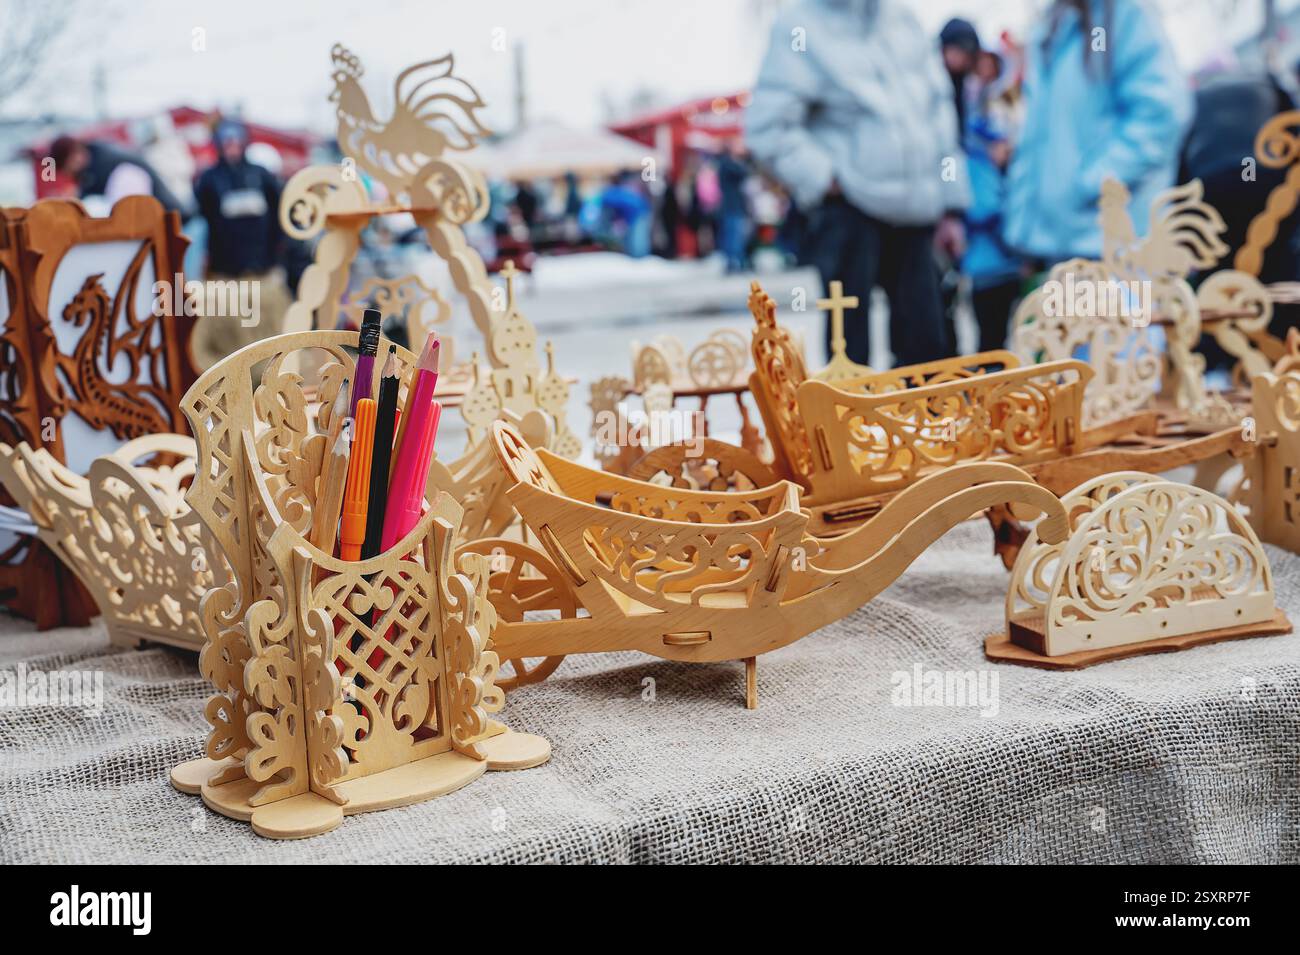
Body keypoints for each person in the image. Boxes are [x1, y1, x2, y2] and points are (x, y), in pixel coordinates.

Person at [746, 0, 970, 368]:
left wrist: (951, 206)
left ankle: (928, 409)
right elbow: (767, 127)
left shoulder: (902, 20)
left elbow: (939, 117)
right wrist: (826, 178)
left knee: (927, 347)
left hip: (915, 211)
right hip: (849, 211)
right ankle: (851, 410)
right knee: (849, 353)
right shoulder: (799, 25)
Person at [1003, 0, 1192, 265]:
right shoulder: (1050, 29)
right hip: (1063, 247)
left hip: (1121, 249)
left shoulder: (1124, 13)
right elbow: (1035, 139)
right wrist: (1022, 229)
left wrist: (1089, 185)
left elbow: (1161, 114)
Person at [189, 120, 290, 369]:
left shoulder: (262, 176)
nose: (232, 146)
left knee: (268, 331)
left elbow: (281, 218)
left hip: (262, 273)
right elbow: (200, 223)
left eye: (236, 141)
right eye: (226, 142)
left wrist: (277, 257)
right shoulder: (209, 179)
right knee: (231, 335)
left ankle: (268, 372)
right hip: (226, 275)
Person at [48, 135, 184, 213]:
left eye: (65, 168)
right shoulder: (98, 158)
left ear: (72, 158)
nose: (68, 174)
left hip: (170, 218)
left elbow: (94, 205)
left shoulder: (103, 166)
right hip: (166, 216)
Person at [716, 139, 751, 273]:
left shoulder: (726, 163)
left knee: (734, 236)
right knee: (734, 236)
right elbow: (743, 172)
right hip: (732, 206)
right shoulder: (727, 164)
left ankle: (736, 262)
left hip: (734, 206)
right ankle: (734, 262)